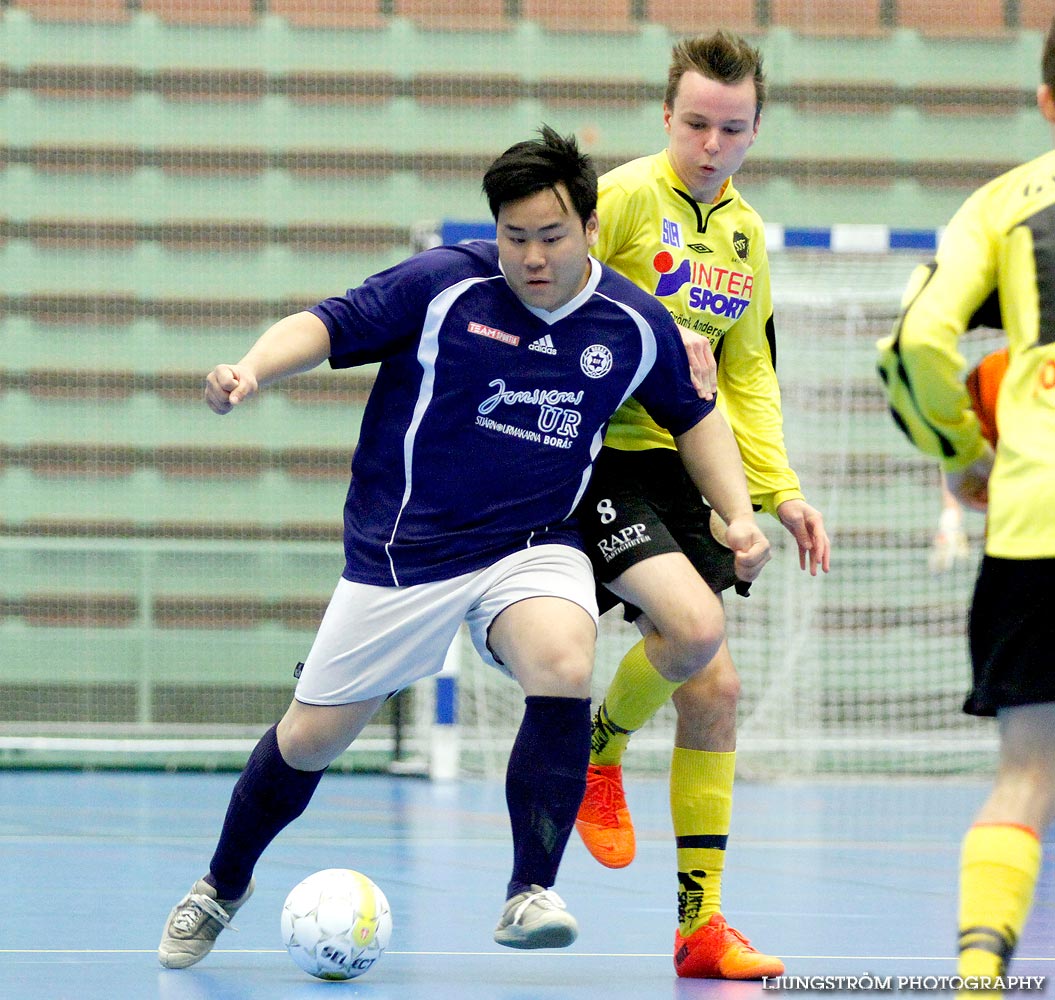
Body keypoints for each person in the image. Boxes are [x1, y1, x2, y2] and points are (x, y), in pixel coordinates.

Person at [157, 125, 772, 971]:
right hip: (402, 557)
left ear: (589, 229)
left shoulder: (629, 320)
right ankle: (222, 884)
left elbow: (693, 414)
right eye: (514, 236)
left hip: (531, 544)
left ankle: (530, 889)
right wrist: (252, 371)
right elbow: (327, 323)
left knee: (562, 659)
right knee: (308, 741)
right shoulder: (446, 284)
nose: (530, 256)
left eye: (550, 236)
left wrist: (736, 515)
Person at [571, 31, 831, 980]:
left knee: (715, 690)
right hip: (600, 461)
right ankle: (596, 746)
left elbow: (749, 371)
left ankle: (699, 929)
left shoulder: (745, 233)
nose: (711, 145)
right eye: (694, 125)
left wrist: (778, 491)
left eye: (732, 129)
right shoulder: (623, 199)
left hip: (693, 463)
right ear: (665, 116)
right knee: (695, 637)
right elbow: (552, 304)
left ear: (756, 130)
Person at [877, 19, 1055, 999]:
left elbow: (909, 347)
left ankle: (979, 979)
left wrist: (963, 454)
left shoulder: (1000, 204)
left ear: (1043, 100)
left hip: (1035, 519)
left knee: (1024, 775)